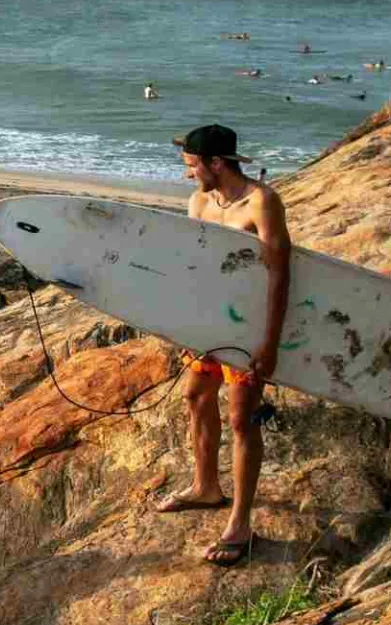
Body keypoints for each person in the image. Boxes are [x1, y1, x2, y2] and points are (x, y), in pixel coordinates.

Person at [156, 124, 291, 568]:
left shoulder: (261, 202)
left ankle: (240, 522)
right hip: (209, 322)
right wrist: (183, 324)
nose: (188, 175)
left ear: (217, 163)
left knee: (241, 420)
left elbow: (278, 273)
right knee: (195, 396)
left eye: (193, 167)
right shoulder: (199, 201)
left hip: (247, 327)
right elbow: (195, 268)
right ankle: (205, 487)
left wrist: (269, 343)